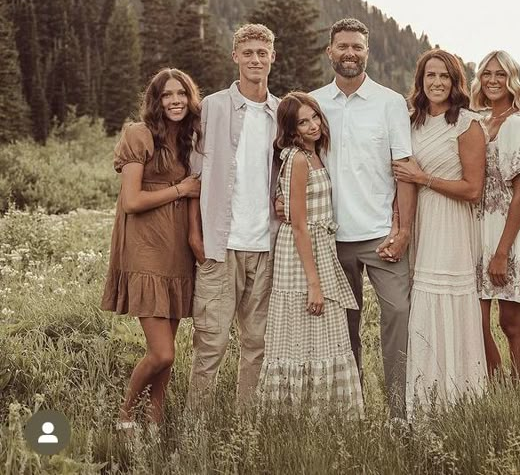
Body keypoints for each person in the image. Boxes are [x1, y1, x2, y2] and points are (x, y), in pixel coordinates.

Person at [310, 18, 416, 418]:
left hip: (381, 237)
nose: (349, 53)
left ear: (367, 52)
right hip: (331, 237)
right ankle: (350, 409)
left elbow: (403, 169)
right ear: (330, 51)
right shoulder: (315, 103)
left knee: (398, 317)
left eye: (357, 46)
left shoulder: (390, 103)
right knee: (342, 332)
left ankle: (398, 412)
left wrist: (403, 230)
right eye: (342, 46)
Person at [101, 68, 202, 431]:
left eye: (181, 94)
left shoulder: (191, 139)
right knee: (162, 351)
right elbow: (131, 200)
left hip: (178, 251)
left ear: (191, 99)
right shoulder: (139, 134)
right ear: (155, 101)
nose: (175, 101)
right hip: (144, 248)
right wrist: (181, 190)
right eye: (167, 95)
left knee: (167, 355)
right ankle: (125, 415)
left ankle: (154, 420)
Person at [187, 23, 279, 409]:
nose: (255, 59)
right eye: (248, 53)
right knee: (211, 342)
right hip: (220, 246)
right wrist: (196, 237)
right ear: (235, 57)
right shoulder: (212, 107)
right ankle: (196, 427)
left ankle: (246, 424)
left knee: (258, 343)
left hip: (268, 246)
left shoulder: (281, 112)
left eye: (262, 53)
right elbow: (195, 177)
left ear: (272, 58)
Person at [392, 50, 486, 420]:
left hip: (452, 224)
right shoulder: (410, 122)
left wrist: (423, 179)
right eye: (430, 75)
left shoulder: (466, 124)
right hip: (419, 222)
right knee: (421, 305)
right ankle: (424, 401)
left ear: (455, 82)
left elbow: (473, 188)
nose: (436, 82)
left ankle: (461, 398)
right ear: (420, 79)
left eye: (444, 76)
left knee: (448, 300)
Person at [259, 92, 363, 415]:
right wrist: (314, 282)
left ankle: (322, 411)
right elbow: (300, 225)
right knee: (303, 327)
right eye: (303, 122)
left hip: (320, 247)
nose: (313, 125)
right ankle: (296, 413)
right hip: (302, 254)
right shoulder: (299, 159)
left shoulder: (316, 153)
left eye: (315, 117)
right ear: (291, 130)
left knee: (323, 332)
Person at [471, 50, 520, 380]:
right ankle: (496, 384)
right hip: (478, 231)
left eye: (500, 74)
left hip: (507, 234)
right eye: (487, 74)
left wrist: (502, 253)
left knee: (510, 321)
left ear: (512, 80)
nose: (493, 80)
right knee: (476, 319)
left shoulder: (518, 122)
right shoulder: (481, 122)